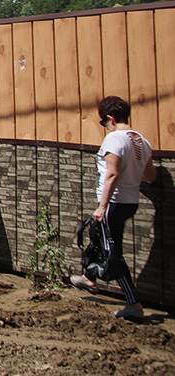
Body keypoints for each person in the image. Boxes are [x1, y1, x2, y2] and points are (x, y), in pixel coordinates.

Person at [70, 95, 156, 321]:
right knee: (95, 233)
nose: (104, 127)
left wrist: (102, 206)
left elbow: (113, 173)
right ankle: (89, 276)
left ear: (110, 118)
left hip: (114, 203)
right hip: (131, 201)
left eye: (103, 122)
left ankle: (133, 304)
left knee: (112, 253)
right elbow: (150, 175)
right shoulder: (141, 141)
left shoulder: (114, 139)